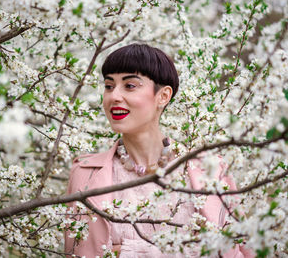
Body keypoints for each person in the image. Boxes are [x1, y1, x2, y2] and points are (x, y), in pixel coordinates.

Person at [64, 44, 253, 257]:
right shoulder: (85, 174)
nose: (114, 96)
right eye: (109, 86)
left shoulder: (209, 169)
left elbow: (240, 249)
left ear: (163, 96)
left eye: (130, 86)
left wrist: (127, 252)